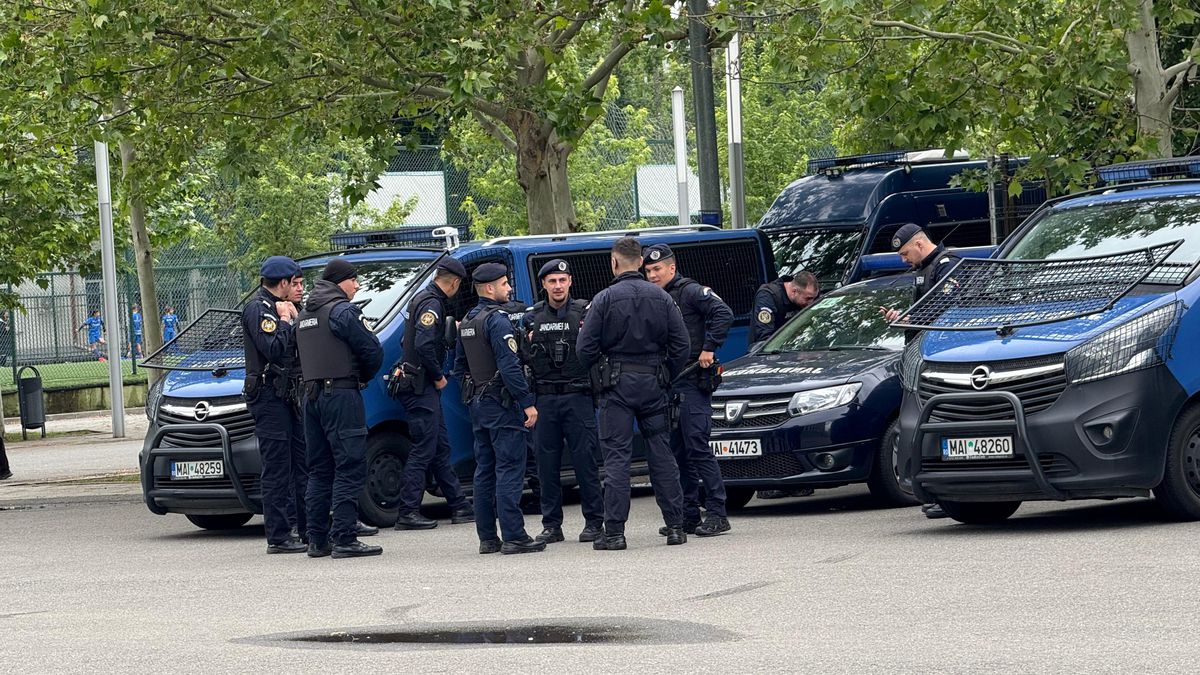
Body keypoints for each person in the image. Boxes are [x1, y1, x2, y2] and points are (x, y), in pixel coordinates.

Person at [576, 236, 691, 550]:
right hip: (654, 383)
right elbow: (682, 345)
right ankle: (676, 527)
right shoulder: (662, 297)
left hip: (616, 387)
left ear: (614, 263)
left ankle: (614, 533)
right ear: (641, 262)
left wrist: (600, 371)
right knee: (662, 454)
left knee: (617, 458)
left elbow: (584, 349)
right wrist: (666, 373)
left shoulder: (604, 299)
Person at [452, 262, 544, 555]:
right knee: (510, 469)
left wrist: (474, 395)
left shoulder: (468, 320)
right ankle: (515, 536)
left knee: (485, 471)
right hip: (502, 404)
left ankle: (488, 537)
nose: (510, 288)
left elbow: (459, 367)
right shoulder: (497, 321)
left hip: (479, 404)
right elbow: (509, 366)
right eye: (505, 284)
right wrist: (527, 402)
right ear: (490, 288)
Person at [295, 258, 384, 558]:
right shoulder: (343, 311)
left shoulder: (304, 315)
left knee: (319, 470)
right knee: (350, 465)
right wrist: (361, 377)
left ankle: (317, 539)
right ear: (338, 282)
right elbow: (372, 350)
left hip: (311, 397)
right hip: (341, 395)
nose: (357, 285)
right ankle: (345, 537)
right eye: (353, 280)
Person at [643, 244, 734, 537]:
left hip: (693, 379)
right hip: (669, 382)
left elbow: (723, 313)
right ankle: (689, 514)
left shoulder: (691, 291)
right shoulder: (655, 298)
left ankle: (718, 513)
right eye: (648, 271)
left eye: (657, 269)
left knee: (697, 447)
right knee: (678, 451)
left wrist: (709, 347)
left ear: (672, 268)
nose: (653, 275)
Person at [880, 223, 962, 521]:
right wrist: (903, 318)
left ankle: (948, 494)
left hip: (943, 365)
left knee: (942, 427)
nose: (904, 260)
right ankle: (935, 492)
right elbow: (922, 313)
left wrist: (911, 319)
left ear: (919, 243)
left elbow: (947, 311)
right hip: (924, 362)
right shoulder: (924, 270)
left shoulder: (947, 265)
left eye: (905, 254)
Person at [523, 259, 604, 545]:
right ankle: (551, 525)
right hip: (545, 399)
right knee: (546, 466)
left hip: (578, 396)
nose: (558, 286)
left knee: (585, 463)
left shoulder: (586, 312)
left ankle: (594, 522)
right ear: (543, 285)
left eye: (562, 280)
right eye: (552, 281)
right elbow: (521, 356)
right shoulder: (531, 317)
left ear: (570, 281)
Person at [390, 257, 475, 530]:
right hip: (421, 386)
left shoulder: (420, 298)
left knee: (439, 447)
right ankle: (408, 512)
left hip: (417, 384)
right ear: (455, 282)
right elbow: (424, 344)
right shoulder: (432, 303)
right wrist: (438, 376)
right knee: (424, 449)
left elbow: (407, 339)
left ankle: (459, 505)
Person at [750, 271, 820, 346]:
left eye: (813, 298)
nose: (811, 303)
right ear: (794, 291)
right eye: (808, 299)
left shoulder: (805, 295)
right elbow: (764, 337)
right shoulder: (768, 296)